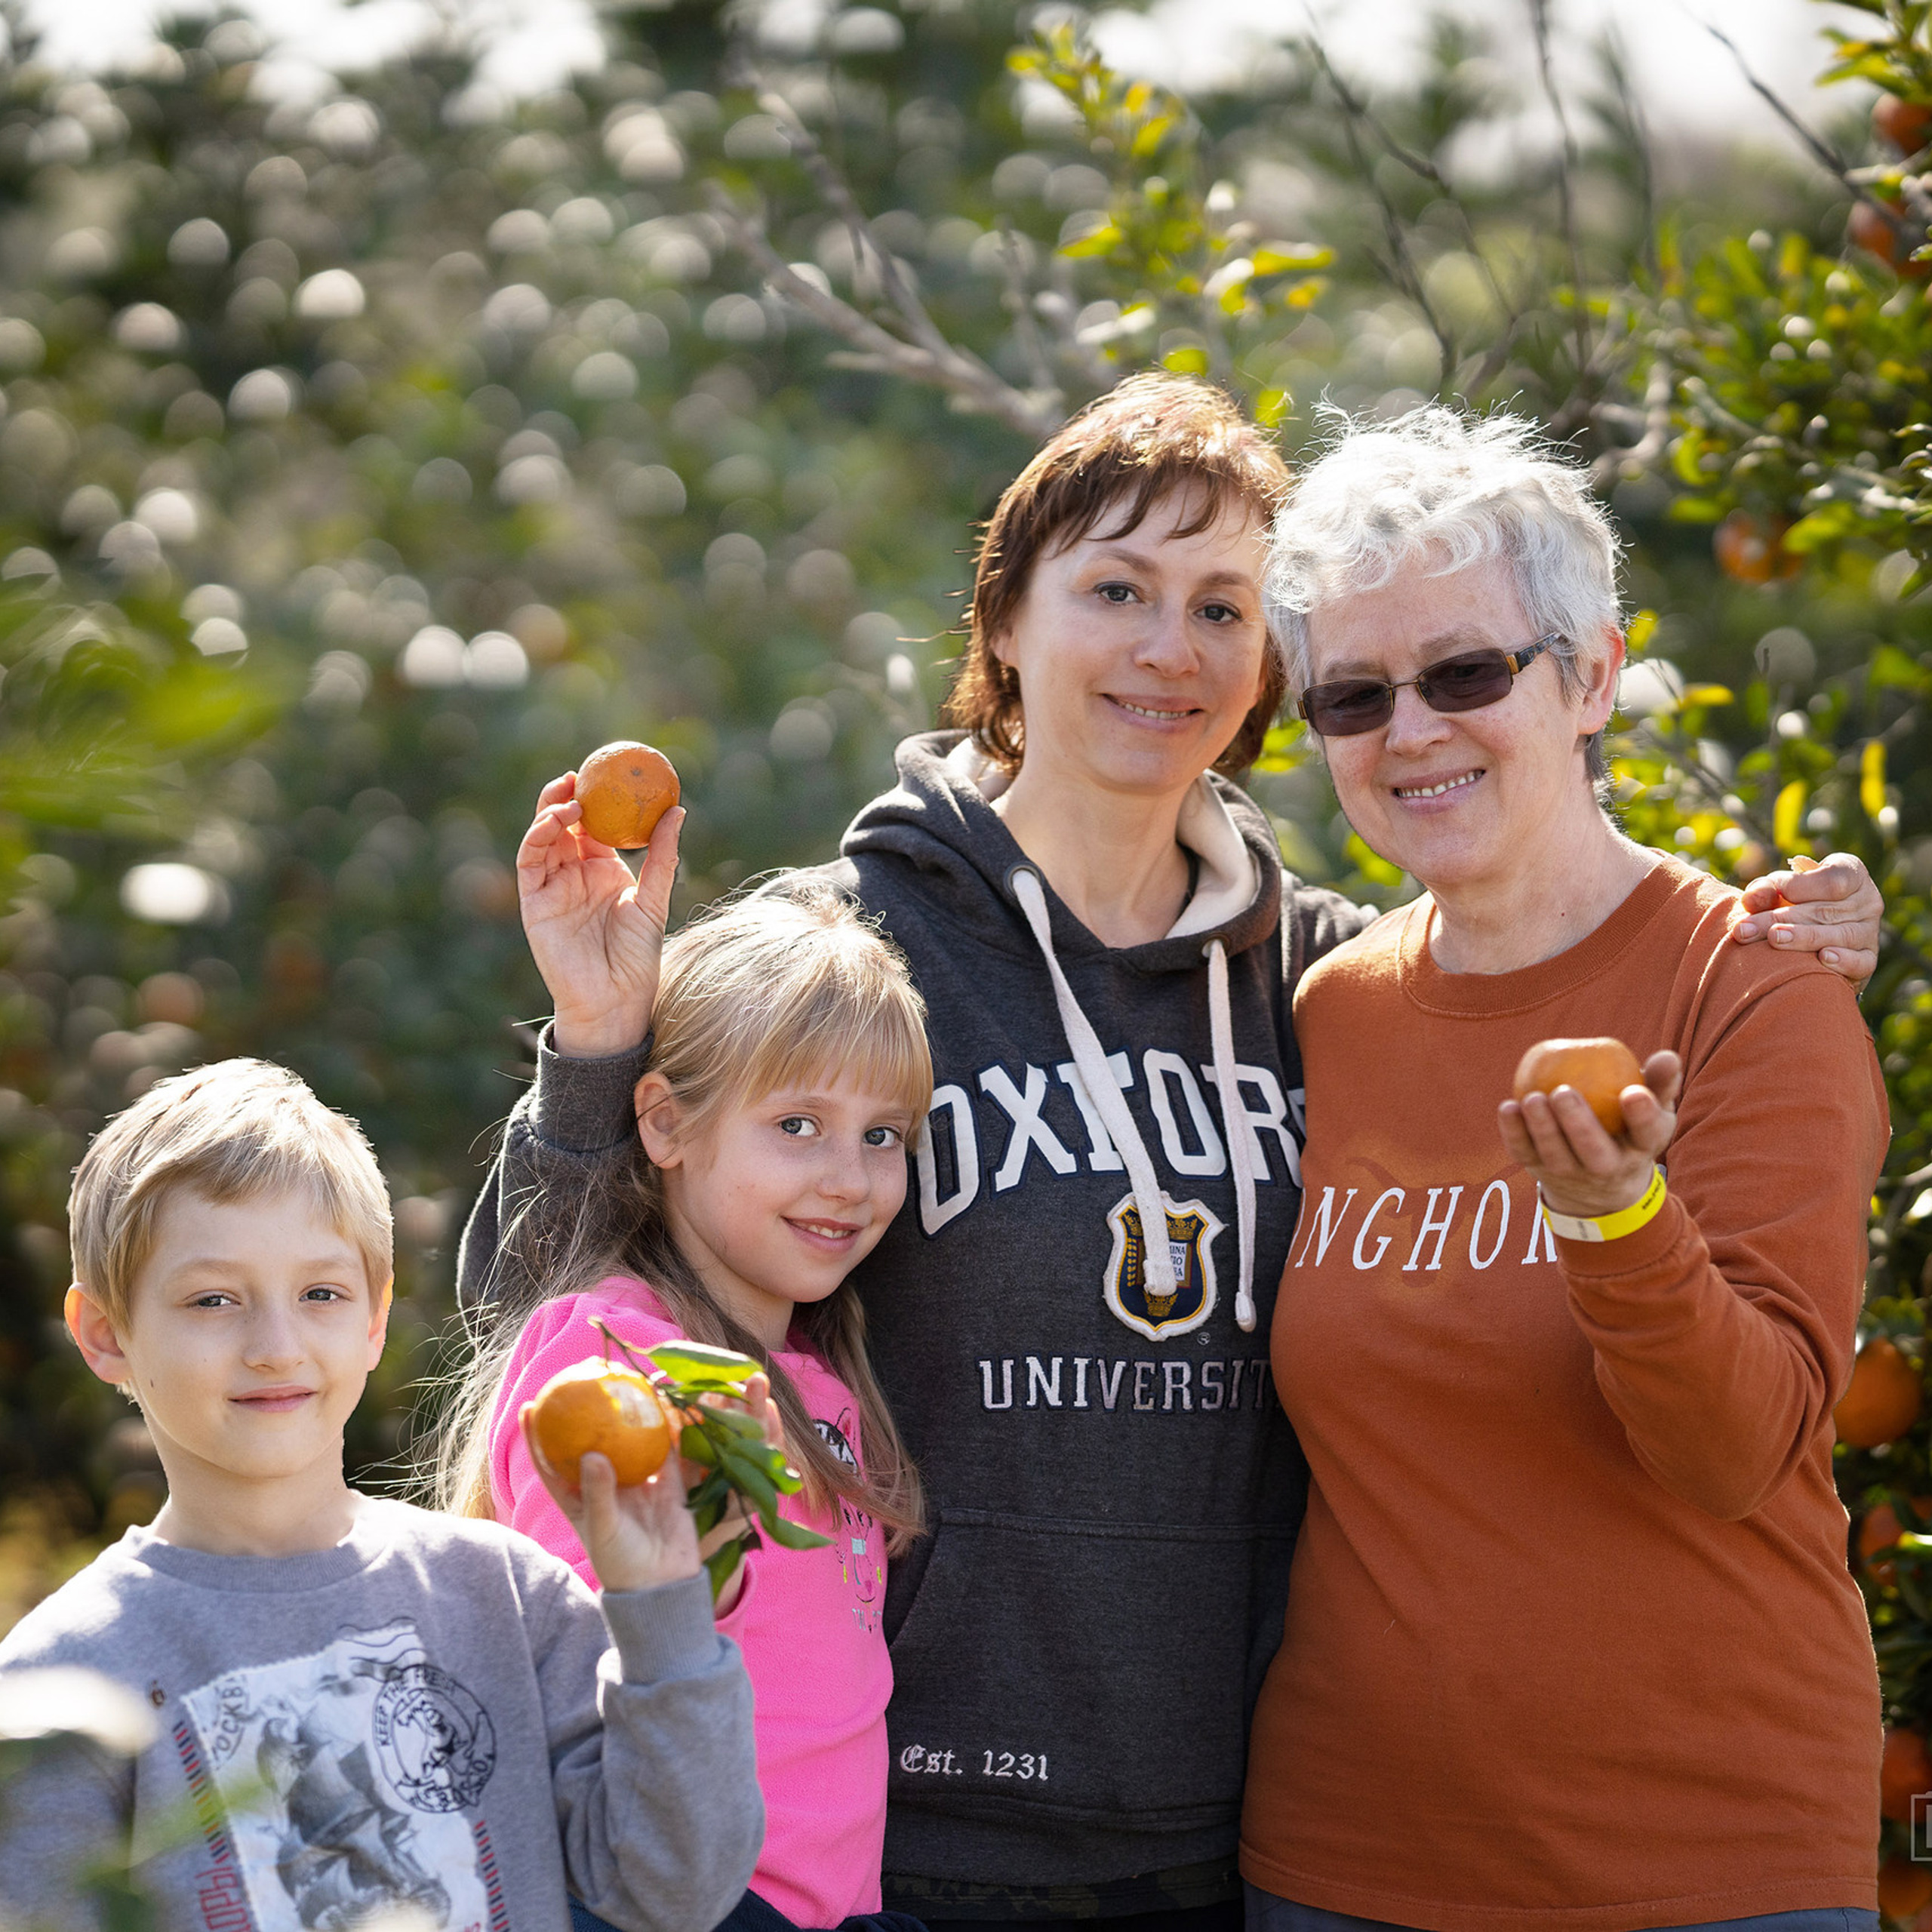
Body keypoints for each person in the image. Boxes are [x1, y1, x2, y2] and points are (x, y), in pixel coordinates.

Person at [455, 375, 1885, 1932]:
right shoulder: (849, 957)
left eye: (1220, 607)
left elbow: (1549, 958)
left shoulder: (1314, 981)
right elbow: (546, 1330)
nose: (1167, 647)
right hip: (913, 1818)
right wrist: (598, 1044)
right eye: (1115, 591)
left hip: (1232, 1829)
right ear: (1004, 621)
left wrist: (1778, 935)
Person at [1239, 407, 1887, 1932]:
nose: (1409, 732)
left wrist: (1618, 1218)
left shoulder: (1752, 987)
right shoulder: (1330, 1008)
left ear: (1590, 673)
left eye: (1465, 672)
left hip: (1700, 1868)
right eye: (1350, 695)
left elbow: (1735, 1450)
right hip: (1336, 1868)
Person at [0, 1057, 763, 1932]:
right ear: (106, 1334)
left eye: (320, 1292)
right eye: (213, 1299)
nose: (276, 1345)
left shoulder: (508, 1600)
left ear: (374, 1318)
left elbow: (677, 1890)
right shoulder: (62, 1679)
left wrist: (663, 1610)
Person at [438, 885, 933, 1932]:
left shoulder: (824, 1378)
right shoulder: (610, 1359)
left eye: (883, 1135)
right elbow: (575, 1683)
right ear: (665, 1122)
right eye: (798, 1125)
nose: (850, 1179)